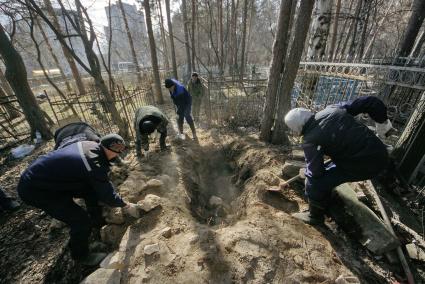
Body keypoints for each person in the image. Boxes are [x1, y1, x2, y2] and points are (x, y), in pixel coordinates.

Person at [17, 134, 141, 266]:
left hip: (52, 178)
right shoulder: (93, 162)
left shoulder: (92, 145)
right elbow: (107, 194)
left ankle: (97, 223)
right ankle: (81, 255)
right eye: (116, 153)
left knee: (91, 191)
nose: (117, 156)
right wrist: (126, 205)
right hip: (37, 189)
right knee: (80, 220)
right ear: (108, 149)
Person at [284, 96, 391, 225]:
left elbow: (316, 173)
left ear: (296, 128)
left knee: (313, 183)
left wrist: (307, 172)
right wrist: (382, 122)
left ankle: (314, 217)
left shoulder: (310, 140)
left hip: (364, 166)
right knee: (330, 169)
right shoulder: (333, 109)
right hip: (380, 152)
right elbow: (370, 101)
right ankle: (328, 200)